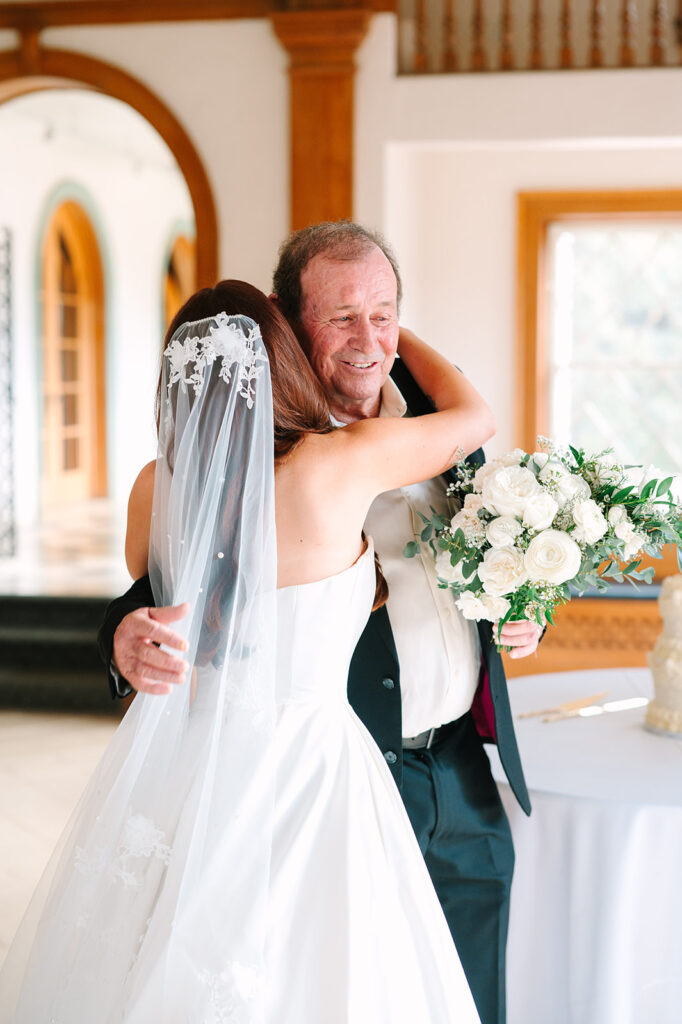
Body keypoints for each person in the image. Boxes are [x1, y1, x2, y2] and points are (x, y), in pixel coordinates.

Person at [0, 279, 493, 1022]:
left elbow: (158, 591)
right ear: (286, 364)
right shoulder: (340, 463)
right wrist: (396, 332)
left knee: (175, 944)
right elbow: (472, 418)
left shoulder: (150, 489)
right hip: (314, 759)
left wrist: (125, 633)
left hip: (196, 757)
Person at [98, 223, 541, 1024]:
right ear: (285, 328)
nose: (371, 339)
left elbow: (189, 562)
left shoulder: (160, 484)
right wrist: (122, 634)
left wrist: (520, 615)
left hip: (457, 770)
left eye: (385, 313)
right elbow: (159, 592)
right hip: (345, 773)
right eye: (343, 316)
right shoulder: (346, 457)